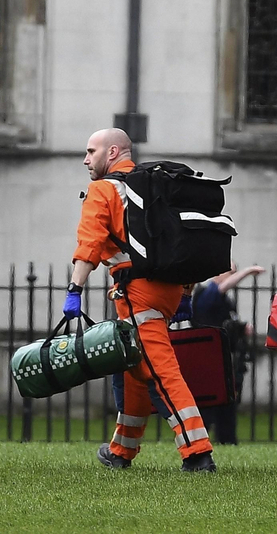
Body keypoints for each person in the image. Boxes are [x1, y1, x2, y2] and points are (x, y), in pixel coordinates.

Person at [70, 128, 216, 473]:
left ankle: (198, 453)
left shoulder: (104, 190)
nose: (86, 159)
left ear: (114, 151)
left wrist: (74, 290)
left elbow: (89, 244)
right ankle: (121, 449)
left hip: (138, 291)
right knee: (134, 365)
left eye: (92, 151)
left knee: (161, 371)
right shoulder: (152, 185)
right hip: (167, 287)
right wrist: (184, 289)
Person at [188, 262, 265, 445]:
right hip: (207, 361)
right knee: (207, 407)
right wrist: (248, 271)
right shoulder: (207, 293)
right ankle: (197, 442)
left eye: (234, 272)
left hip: (224, 360)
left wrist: (241, 327)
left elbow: (227, 323)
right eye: (229, 272)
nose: (232, 276)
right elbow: (222, 288)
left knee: (227, 405)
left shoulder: (224, 299)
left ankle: (226, 440)